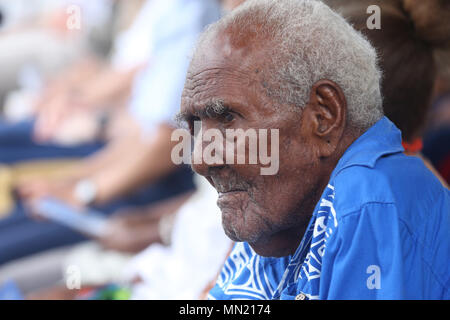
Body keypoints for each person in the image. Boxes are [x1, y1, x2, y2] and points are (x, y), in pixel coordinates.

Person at [178, 0, 449, 299]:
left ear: (323, 116)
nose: (200, 159)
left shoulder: (368, 202)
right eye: (195, 125)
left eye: (227, 118)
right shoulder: (281, 218)